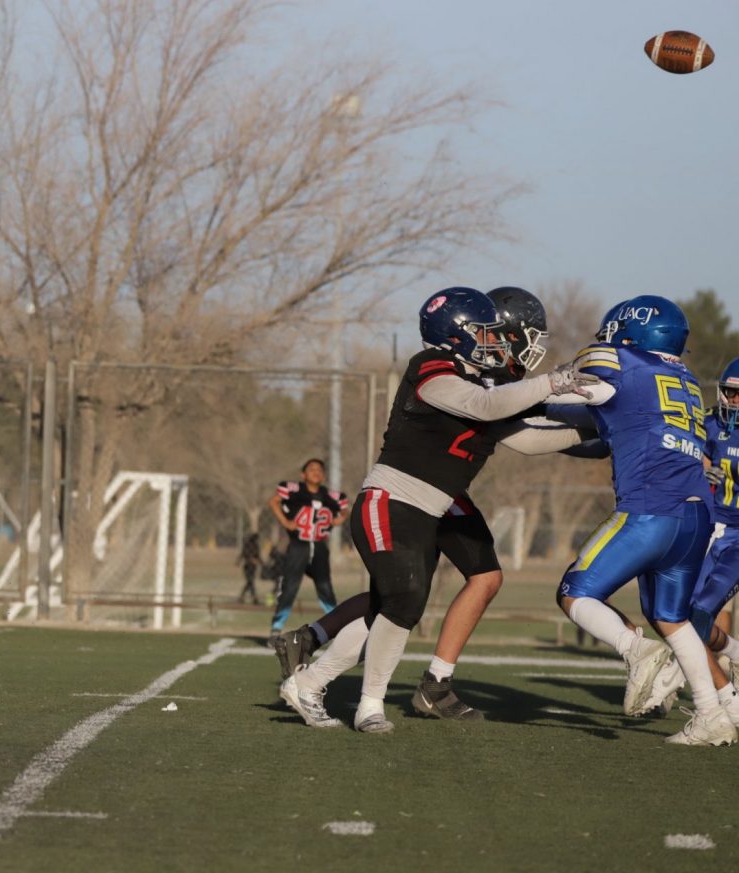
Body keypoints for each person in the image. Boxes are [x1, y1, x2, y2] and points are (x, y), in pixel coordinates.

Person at [273, 287, 585, 725]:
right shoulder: (432, 366)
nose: (493, 341)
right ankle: (364, 704)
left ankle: (314, 686)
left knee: (394, 606)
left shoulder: (478, 382)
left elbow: (528, 439)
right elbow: (483, 405)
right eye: (484, 332)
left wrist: (600, 437)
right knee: (403, 599)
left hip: (428, 511)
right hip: (390, 500)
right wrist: (554, 381)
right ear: (456, 334)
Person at [555, 297, 736, 745]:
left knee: (574, 593)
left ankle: (635, 650)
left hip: (651, 508)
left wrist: (529, 398)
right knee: (672, 617)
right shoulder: (686, 379)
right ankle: (712, 715)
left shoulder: (623, 363)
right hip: (697, 516)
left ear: (631, 334)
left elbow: (582, 380)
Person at [641, 355, 739, 719]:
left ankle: (668, 682)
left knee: (701, 611)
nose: (734, 401)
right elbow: (683, 457)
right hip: (707, 527)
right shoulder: (708, 423)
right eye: (730, 393)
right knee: (680, 612)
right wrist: (700, 469)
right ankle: (733, 652)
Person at [265, 459, 349, 634]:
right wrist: (285, 522)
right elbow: (273, 501)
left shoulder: (331, 496)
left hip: (319, 547)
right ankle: (276, 628)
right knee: (290, 587)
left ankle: (337, 628)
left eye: (319, 469)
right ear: (303, 475)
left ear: (324, 475)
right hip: (298, 546)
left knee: (325, 588)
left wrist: (341, 518)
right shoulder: (294, 491)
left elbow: (345, 510)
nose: (316, 472)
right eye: (312, 469)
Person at [236, 532, 262, 604]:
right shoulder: (251, 545)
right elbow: (244, 554)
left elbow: (257, 556)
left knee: (250, 582)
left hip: (251, 566)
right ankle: (254, 599)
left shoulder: (253, 545)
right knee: (250, 582)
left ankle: (243, 597)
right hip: (249, 566)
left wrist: (261, 562)